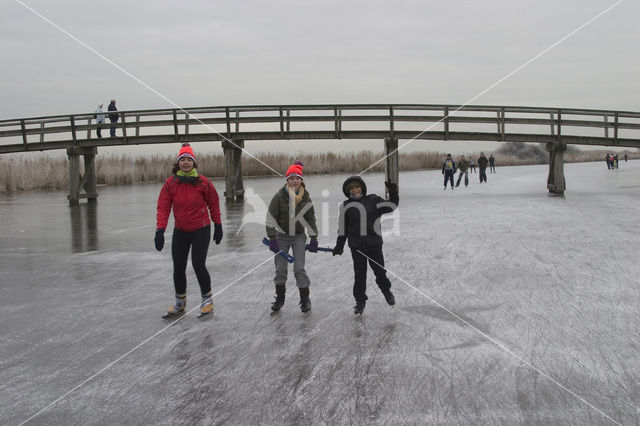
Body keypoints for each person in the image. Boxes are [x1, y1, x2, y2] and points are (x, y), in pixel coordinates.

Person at [155, 143, 223, 318]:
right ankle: (180, 302)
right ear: (178, 163)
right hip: (181, 231)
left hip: (201, 228)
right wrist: (160, 230)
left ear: (194, 163)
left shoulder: (203, 182)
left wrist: (218, 224)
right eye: (183, 160)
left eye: (189, 160)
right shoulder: (171, 183)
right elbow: (163, 207)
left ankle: (207, 300)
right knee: (178, 266)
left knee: (198, 264)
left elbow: (214, 203)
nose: (186, 163)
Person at [332, 177, 398, 315]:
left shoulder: (373, 200)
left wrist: (393, 191)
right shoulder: (345, 206)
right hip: (357, 247)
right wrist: (339, 245)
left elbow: (392, 205)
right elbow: (343, 229)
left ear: (362, 188)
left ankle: (386, 291)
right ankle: (360, 301)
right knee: (360, 276)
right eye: (351, 189)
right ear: (347, 192)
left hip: (374, 245)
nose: (354, 190)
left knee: (380, 272)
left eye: (357, 187)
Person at [266, 160, 318, 313]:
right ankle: (280, 298)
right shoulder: (279, 197)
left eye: (297, 178)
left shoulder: (306, 198)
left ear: (301, 180)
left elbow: (311, 219)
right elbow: (270, 218)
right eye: (291, 178)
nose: (294, 181)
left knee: (299, 268)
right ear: (287, 180)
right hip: (282, 236)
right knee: (281, 269)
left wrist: (314, 238)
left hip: (299, 237)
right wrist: (272, 238)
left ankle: (305, 299)